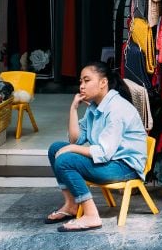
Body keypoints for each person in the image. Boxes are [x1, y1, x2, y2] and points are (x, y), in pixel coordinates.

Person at [44, 62, 148, 232]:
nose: (82, 86)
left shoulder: (117, 108)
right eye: (80, 82)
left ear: (103, 83)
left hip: (124, 166)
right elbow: (75, 140)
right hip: (109, 162)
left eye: (87, 80)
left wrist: (71, 150)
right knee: (55, 148)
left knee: (66, 159)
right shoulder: (95, 107)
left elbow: (103, 152)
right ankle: (71, 205)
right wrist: (73, 109)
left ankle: (91, 215)